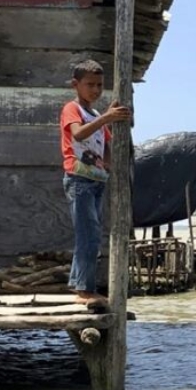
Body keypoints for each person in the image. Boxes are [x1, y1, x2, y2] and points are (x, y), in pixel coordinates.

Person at [60, 60, 132, 307]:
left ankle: (78, 284)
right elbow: (78, 134)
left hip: (97, 181)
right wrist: (106, 118)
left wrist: (112, 168)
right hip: (79, 180)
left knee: (90, 234)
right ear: (75, 85)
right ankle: (84, 291)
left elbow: (105, 144)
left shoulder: (95, 114)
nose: (95, 90)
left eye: (99, 85)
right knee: (88, 236)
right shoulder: (72, 109)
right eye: (89, 84)